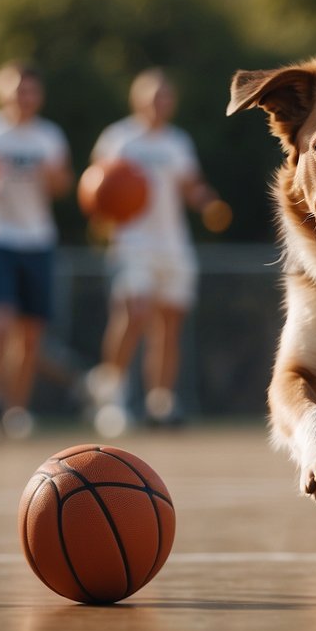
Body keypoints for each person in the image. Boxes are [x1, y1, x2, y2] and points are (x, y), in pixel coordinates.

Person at [84, 69, 223, 434]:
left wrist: (206, 202)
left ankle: (160, 402)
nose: (159, 102)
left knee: (169, 324)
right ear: (137, 99)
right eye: (153, 95)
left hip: (172, 244)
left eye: (165, 96)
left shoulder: (177, 142)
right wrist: (101, 219)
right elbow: (97, 185)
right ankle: (111, 396)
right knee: (134, 313)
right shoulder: (119, 138)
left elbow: (190, 185)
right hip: (133, 244)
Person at [0, 62, 72, 438]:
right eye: (16, 89)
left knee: (31, 333)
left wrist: (52, 178)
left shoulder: (49, 136)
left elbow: (63, 186)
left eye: (29, 89)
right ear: (0, 91)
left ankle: (15, 410)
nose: (23, 96)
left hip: (37, 239)